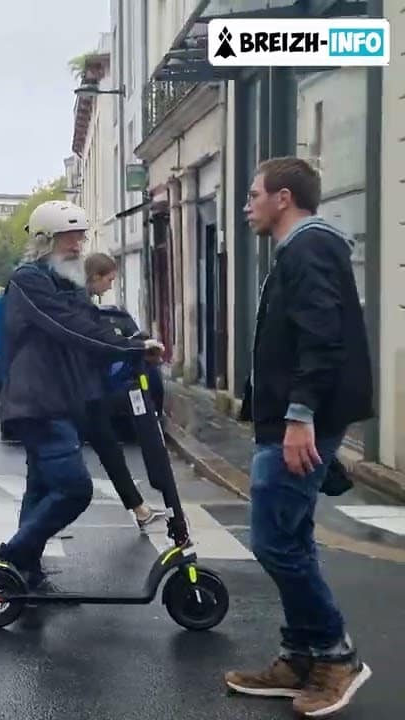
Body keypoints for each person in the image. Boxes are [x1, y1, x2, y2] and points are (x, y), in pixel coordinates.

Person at [225, 157, 373, 717]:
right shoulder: (301, 249)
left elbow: (323, 337)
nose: (247, 204)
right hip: (289, 417)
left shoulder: (310, 245)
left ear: (283, 198)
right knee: (292, 538)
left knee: (274, 541)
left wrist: (299, 415)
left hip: (300, 420)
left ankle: (337, 654)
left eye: (254, 193)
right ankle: (300, 655)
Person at [0, 200, 161, 592]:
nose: (79, 245)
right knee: (74, 489)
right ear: (45, 240)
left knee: (42, 488)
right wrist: (129, 349)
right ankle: (10, 556)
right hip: (38, 403)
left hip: (61, 401)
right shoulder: (28, 281)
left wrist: (132, 341)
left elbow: (90, 324)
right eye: (71, 238)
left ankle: (24, 575)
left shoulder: (66, 281)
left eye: (81, 237)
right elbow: (68, 327)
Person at [82, 253, 165, 529]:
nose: (109, 286)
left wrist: (132, 346)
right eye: (109, 279)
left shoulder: (84, 304)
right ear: (95, 277)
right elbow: (97, 344)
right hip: (80, 393)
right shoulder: (81, 305)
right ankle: (28, 538)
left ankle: (140, 509)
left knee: (109, 450)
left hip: (88, 393)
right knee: (64, 471)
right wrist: (135, 347)